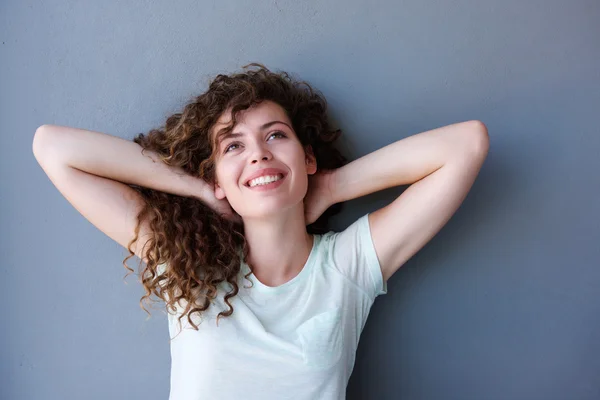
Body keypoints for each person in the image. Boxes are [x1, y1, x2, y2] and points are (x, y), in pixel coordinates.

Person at [32, 63, 489, 400]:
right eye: (234, 145)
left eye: (275, 136)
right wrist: (201, 189)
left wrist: (327, 186)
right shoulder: (186, 270)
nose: (258, 155)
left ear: (306, 156)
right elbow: (53, 148)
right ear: (217, 174)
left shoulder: (348, 265)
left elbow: (466, 144)